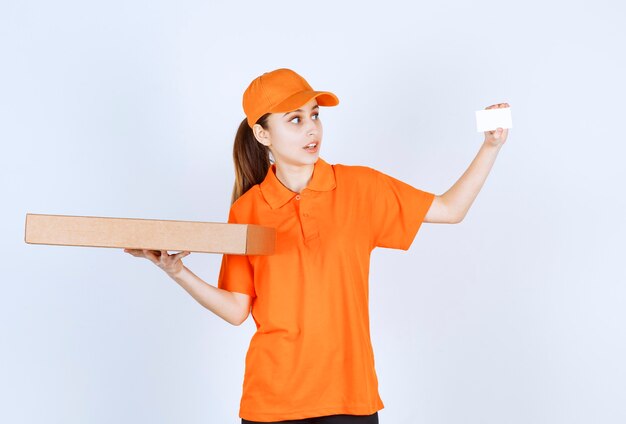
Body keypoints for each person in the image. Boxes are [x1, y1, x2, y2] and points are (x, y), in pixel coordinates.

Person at [124, 68, 510, 423]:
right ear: (262, 135)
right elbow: (236, 309)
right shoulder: (248, 209)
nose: (311, 129)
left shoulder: (360, 188)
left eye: (314, 115)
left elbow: (450, 209)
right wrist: (175, 270)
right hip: (271, 402)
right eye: (294, 119)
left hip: (349, 398)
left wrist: (490, 147)